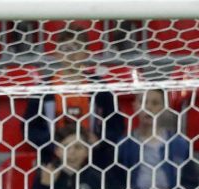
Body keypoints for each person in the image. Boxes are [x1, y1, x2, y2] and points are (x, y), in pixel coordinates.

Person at [24, 27, 124, 169]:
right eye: (65, 48)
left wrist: (101, 140)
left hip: (93, 161)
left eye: (76, 47)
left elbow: (117, 124)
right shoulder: (44, 88)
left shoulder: (99, 87)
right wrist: (53, 144)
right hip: (54, 159)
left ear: (86, 53)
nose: (71, 54)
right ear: (56, 53)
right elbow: (29, 128)